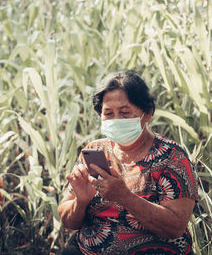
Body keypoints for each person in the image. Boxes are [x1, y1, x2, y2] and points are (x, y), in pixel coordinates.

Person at [58, 70, 198, 255]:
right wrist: (81, 201)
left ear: (147, 114)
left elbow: (174, 228)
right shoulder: (94, 152)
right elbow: (69, 221)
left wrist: (125, 197)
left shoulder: (172, 158)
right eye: (108, 113)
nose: (116, 120)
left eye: (125, 113)